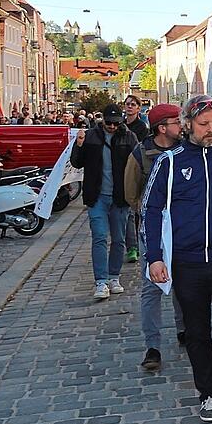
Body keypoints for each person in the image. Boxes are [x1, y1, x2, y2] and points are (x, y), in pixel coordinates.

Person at [143, 95, 212, 424]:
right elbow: (150, 210)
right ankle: (208, 393)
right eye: (204, 124)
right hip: (187, 262)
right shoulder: (169, 162)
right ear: (188, 124)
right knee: (197, 332)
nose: (211, 129)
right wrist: (154, 258)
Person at [123, 104, 187, 370]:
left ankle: (184, 329)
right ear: (162, 128)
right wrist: (153, 212)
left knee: (182, 282)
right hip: (152, 230)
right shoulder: (140, 154)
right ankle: (153, 346)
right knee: (152, 287)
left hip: (182, 229)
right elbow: (131, 193)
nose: (181, 126)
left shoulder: (186, 150)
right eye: (176, 122)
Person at [71, 104, 139, 300]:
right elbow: (77, 162)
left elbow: (137, 165)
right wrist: (79, 145)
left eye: (116, 123)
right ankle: (101, 281)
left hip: (120, 197)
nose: (112, 127)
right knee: (99, 237)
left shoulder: (129, 137)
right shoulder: (91, 136)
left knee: (118, 240)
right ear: (102, 121)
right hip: (97, 196)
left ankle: (114, 277)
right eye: (108, 123)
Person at [123, 95, 150, 264]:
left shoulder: (142, 127)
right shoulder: (121, 124)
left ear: (138, 108)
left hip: (138, 167)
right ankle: (132, 244)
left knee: (137, 209)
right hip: (124, 168)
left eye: (133, 104)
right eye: (127, 104)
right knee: (128, 209)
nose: (130, 107)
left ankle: (137, 242)